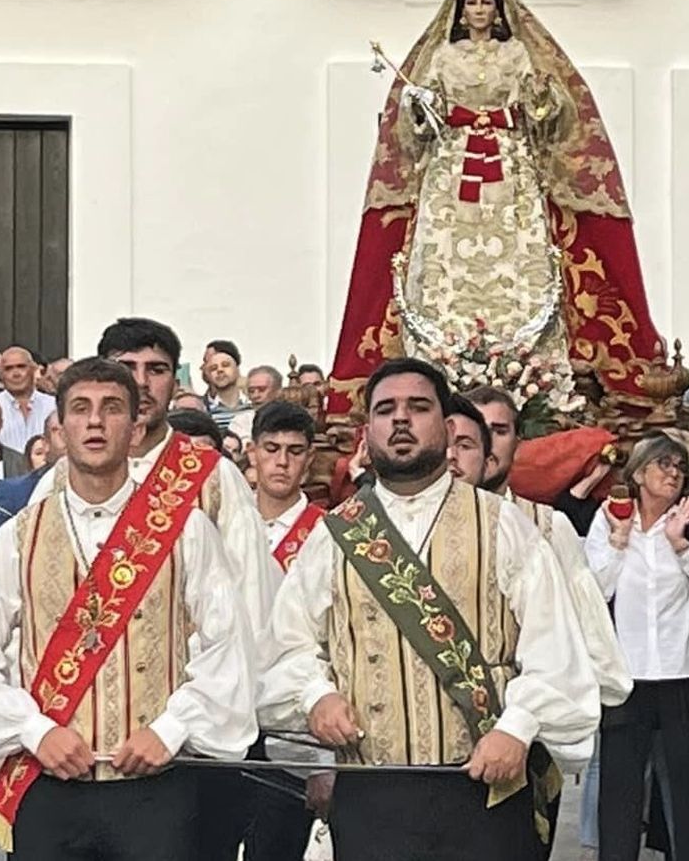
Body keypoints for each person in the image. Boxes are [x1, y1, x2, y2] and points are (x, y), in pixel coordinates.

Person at [267, 358, 600, 860]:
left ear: (446, 429)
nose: (400, 420)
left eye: (417, 407)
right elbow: (286, 643)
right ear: (367, 431)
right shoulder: (334, 535)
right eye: (385, 410)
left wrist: (517, 727)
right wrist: (317, 696)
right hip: (370, 793)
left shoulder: (504, 526)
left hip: (484, 788)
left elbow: (556, 648)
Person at [0, 358, 256, 859]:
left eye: (111, 409)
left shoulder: (186, 530)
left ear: (135, 429)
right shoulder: (18, 537)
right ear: (60, 429)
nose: (95, 421)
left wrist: (170, 729)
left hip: (155, 790)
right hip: (48, 790)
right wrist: (36, 730)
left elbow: (227, 647)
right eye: (80, 410)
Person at [326, 0, 665, 419]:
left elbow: (545, 115)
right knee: (445, 259)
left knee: (520, 256)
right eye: (473, 4)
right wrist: (420, 108)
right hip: (453, 168)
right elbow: (420, 128)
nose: (480, 10)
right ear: (460, 11)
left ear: (498, 10)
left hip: (509, 165)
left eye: (487, 2)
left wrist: (544, 99)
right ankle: (442, 358)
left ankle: (530, 367)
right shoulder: (444, 57)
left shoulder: (517, 54)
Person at [93, 317, 280, 861]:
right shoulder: (61, 480)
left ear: (175, 382)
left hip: (189, 739)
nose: (142, 382)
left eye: (156, 370)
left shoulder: (209, 477)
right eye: (126, 369)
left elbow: (251, 606)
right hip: (82, 740)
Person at [462, 385, 634, 855]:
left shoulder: (547, 526)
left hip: (527, 747)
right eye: (470, 432)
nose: (485, 443)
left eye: (498, 431)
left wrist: (553, 727)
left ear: (518, 440)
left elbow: (595, 649)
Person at [586, 431, 689, 861]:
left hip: (680, 674)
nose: (673, 474)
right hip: (625, 677)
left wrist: (680, 543)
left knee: (688, 788)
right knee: (620, 787)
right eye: (663, 465)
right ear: (639, 472)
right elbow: (595, 590)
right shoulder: (611, 515)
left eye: (680, 467)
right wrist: (617, 540)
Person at [245, 400, 327, 861]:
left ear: (309, 458)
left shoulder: (327, 534)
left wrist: (325, 761)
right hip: (222, 716)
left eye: (294, 451)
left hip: (291, 727)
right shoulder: (221, 526)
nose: (281, 461)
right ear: (252, 453)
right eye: (271, 448)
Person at [0, 346, 57, 452]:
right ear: (1, 375)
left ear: (33, 369)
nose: (16, 374)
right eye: (9, 368)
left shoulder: (53, 406)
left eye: (21, 367)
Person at [203, 339, 254, 439]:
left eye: (225, 365)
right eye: (213, 368)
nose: (220, 370)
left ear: (237, 369)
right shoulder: (203, 409)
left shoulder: (253, 404)